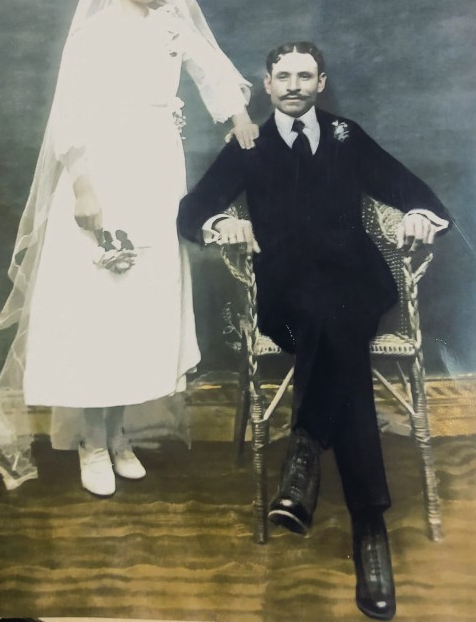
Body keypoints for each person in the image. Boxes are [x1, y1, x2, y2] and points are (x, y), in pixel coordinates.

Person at [177, 41, 450, 621]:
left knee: (335, 316)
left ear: (321, 83)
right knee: (338, 339)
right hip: (286, 297)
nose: (294, 85)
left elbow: (410, 190)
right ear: (267, 85)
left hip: (358, 285)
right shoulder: (249, 144)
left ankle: (303, 455)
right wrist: (222, 222)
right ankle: (369, 528)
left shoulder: (347, 136)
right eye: (284, 76)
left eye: (306, 76)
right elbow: (192, 209)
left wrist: (420, 215)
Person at [0, 0, 258, 496]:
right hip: (105, 173)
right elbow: (70, 115)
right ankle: (91, 440)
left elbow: (211, 70)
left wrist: (239, 119)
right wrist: (84, 188)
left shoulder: (171, 25)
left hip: (156, 176)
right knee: (97, 307)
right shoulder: (95, 35)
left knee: (138, 307)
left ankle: (119, 433)